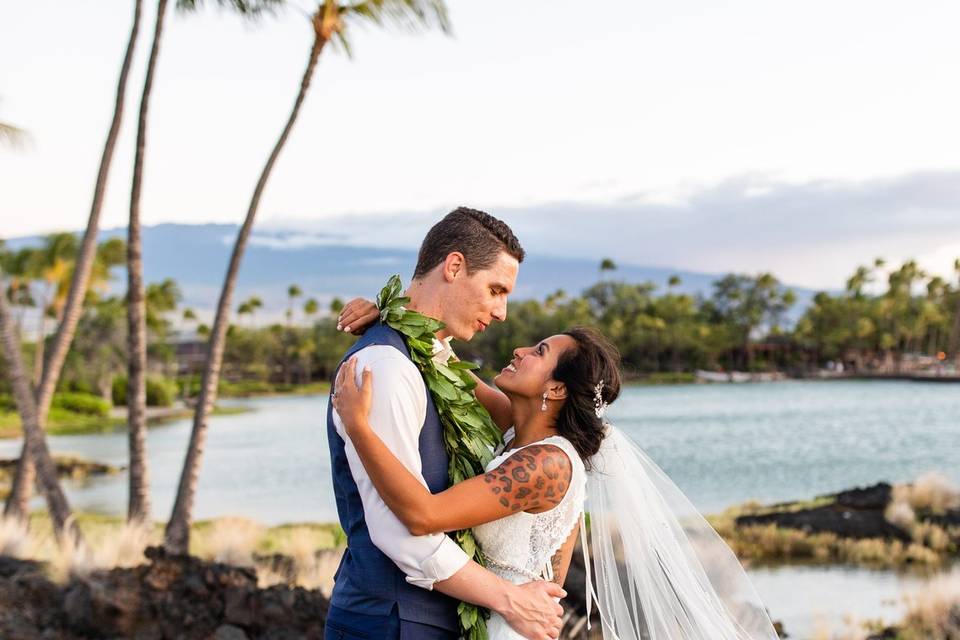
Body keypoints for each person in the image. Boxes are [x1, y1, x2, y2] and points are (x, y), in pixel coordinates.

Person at [333, 322, 782, 639]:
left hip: (510, 625)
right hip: (491, 614)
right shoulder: (520, 429)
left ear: (558, 389)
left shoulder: (546, 465)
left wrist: (360, 428)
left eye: (539, 352)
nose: (520, 351)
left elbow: (423, 513)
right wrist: (387, 319)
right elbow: (443, 363)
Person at [323, 207, 565, 640]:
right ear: (454, 266)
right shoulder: (384, 368)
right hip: (390, 624)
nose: (502, 312)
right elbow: (399, 532)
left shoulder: (434, 361)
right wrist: (510, 599)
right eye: (495, 289)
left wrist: (387, 310)